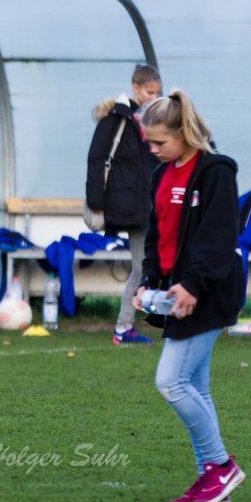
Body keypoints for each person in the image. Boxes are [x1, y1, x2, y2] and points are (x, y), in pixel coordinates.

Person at [135, 89, 245, 502]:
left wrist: (192, 285)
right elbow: (156, 237)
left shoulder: (216, 171)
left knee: (171, 381)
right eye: (150, 142)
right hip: (175, 294)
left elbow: (217, 239)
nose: (154, 149)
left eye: (160, 141)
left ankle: (220, 466)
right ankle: (213, 482)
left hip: (208, 294)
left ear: (184, 132)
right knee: (195, 384)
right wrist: (148, 282)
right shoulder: (160, 174)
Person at [87, 63, 163, 345]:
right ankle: (123, 327)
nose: (154, 97)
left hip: (148, 205)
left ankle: (142, 320)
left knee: (147, 264)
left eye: (157, 92)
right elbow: (98, 160)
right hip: (132, 207)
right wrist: (96, 202)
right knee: (142, 266)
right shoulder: (117, 119)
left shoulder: (150, 120)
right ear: (135, 88)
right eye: (149, 91)